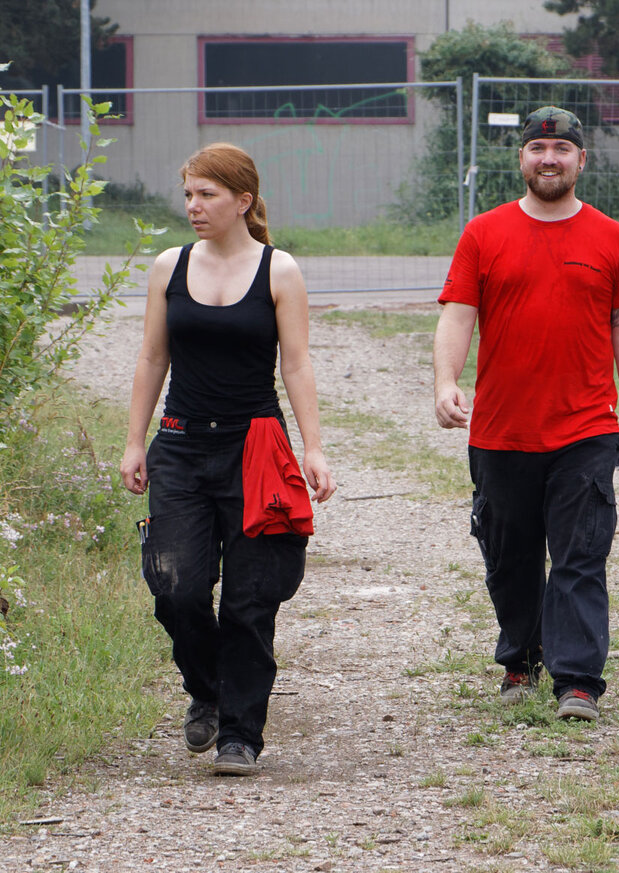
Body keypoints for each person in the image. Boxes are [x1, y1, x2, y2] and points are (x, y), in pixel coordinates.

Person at [433, 106, 619, 722]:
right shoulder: (484, 233)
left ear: (582, 161)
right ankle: (521, 656)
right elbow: (457, 314)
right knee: (510, 559)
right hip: (501, 431)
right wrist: (446, 380)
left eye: (562, 150)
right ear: (523, 159)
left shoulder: (612, 238)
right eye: (538, 149)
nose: (549, 159)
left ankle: (578, 680)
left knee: (581, 556)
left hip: (585, 429)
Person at [120, 143, 336, 775]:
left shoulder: (279, 271)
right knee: (175, 587)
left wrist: (313, 448)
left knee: (250, 598)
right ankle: (206, 689)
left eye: (207, 195)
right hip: (181, 447)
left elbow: (295, 363)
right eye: (188, 193)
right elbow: (151, 359)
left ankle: (241, 732)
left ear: (243, 201)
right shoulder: (170, 266)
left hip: (256, 448)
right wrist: (136, 442)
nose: (193, 206)